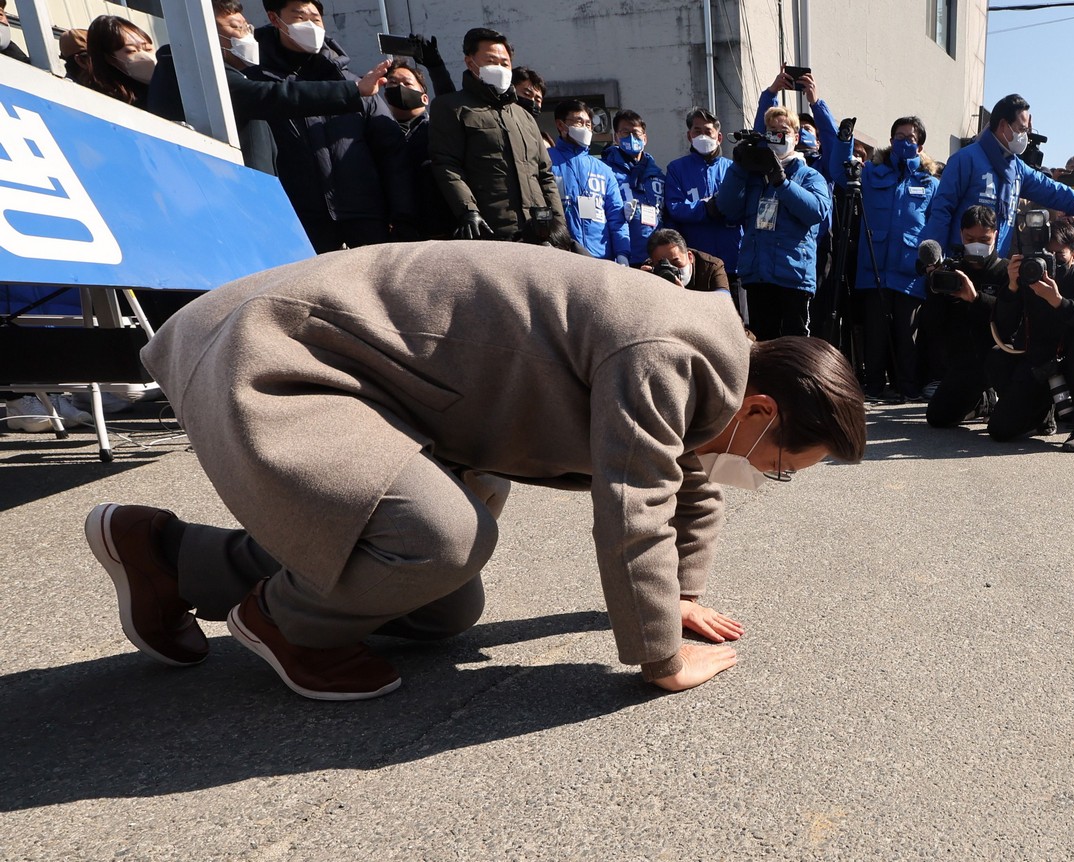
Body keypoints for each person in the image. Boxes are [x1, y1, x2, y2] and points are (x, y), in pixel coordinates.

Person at [84, 242, 867, 701]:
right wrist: (661, 655)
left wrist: (685, 596)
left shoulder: (714, 375)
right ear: (760, 412)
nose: (766, 478)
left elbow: (692, 487)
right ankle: (280, 621)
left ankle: (166, 557)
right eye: (781, 466)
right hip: (283, 350)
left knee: (438, 613)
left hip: (372, 383)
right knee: (439, 541)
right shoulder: (667, 354)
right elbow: (635, 506)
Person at [146, 0, 391, 177]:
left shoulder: (233, 71)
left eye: (247, 28)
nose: (246, 36)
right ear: (203, 32)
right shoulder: (186, 66)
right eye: (236, 27)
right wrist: (354, 89)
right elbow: (270, 96)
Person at [245, 0, 399, 252]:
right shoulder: (258, 84)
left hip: (365, 216)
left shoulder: (356, 84)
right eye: (299, 17)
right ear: (275, 19)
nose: (310, 25)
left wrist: (401, 213)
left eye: (316, 19)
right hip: (297, 219)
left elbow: (391, 150)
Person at [919, 94, 1074, 258]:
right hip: (960, 263)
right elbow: (941, 211)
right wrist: (935, 259)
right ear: (1004, 126)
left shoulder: (1017, 169)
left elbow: (1053, 190)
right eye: (1021, 129)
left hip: (995, 266)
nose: (1024, 136)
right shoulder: (966, 159)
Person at [986, 216, 1074, 451]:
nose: (1048, 265)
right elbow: (1002, 329)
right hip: (1039, 360)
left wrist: (1059, 302)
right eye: (1043, 256)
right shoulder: (1028, 273)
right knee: (1000, 429)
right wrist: (1012, 287)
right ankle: (1042, 416)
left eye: (1057, 257)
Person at [428, 27, 564, 241]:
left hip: (537, 232)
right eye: (491, 61)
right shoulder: (451, 107)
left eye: (505, 63)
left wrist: (559, 225)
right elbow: (446, 164)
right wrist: (468, 210)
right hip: (490, 231)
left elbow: (545, 175)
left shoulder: (524, 116)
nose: (499, 68)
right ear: (470, 62)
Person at [842, 115, 939, 403]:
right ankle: (873, 387)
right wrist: (845, 139)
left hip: (910, 269)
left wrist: (932, 260)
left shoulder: (930, 183)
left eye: (911, 138)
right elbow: (840, 169)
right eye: (899, 136)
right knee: (875, 332)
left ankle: (907, 387)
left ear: (920, 147)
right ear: (890, 140)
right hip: (874, 266)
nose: (904, 141)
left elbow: (935, 225)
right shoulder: (872, 173)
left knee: (907, 334)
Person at [715, 105, 832, 339]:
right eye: (771, 130)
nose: (777, 135)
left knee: (795, 347)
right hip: (758, 275)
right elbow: (727, 208)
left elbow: (816, 211)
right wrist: (738, 167)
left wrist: (782, 182)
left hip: (793, 277)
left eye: (784, 130)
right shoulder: (752, 175)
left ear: (796, 137)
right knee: (763, 345)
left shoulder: (810, 175)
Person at [923, 206, 1010, 428]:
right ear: (961, 234)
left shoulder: (1007, 272)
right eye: (970, 238)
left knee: (1003, 427)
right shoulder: (952, 271)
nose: (976, 244)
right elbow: (932, 325)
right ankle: (980, 402)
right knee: (938, 418)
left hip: (999, 360)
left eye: (984, 238)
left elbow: (1010, 319)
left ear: (995, 236)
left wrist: (975, 298)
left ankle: (1003, 400)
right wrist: (934, 287)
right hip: (963, 363)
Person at [664, 107, 743, 287]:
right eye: (697, 131)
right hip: (696, 262)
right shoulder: (676, 169)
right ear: (689, 136)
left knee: (735, 313)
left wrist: (724, 208)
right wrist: (706, 209)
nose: (703, 136)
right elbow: (675, 208)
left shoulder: (733, 169)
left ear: (719, 137)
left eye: (708, 131)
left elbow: (742, 208)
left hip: (732, 260)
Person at [379, 60, 456, 240]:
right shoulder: (378, 133)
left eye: (407, 83)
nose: (399, 87)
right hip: (399, 233)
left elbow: (450, 104)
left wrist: (436, 68)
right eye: (392, 82)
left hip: (442, 229)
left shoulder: (438, 129)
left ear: (424, 97)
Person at [548, 100, 631, 263]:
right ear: (560, 125)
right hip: (560, 255)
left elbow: (616, 215)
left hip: (600, 257)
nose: (586, 128)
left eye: (588, 124)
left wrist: (622, 253)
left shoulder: (603, 169)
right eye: (579, 122)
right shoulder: (546, 160)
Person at [602, 110, 667, 263]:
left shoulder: (658, 175)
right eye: (625, 132)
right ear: (616, 137)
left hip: (655, 256)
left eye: (636, 133)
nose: (631, 138)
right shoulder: (605, 171)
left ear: (645, 138)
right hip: (623, 256)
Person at [85, 15, 157, 109]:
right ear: (110, 59)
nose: (146, 57)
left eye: (147, 49)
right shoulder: (108, 102)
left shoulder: (171, 82)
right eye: (131, 51)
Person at [641, 228, 731, 296]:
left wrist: (683, 296)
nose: (672, 271)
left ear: (689, 256)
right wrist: (641, 285)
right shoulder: (650, 270)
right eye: (664, 265)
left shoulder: (712, 267)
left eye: (676, 263)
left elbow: (724, 303)